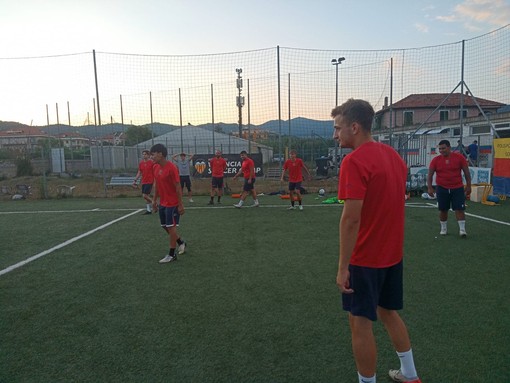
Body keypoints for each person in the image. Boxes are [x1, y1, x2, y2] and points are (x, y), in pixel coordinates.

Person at [332, 99, 421, 383]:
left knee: (359, 324)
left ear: (354, 127)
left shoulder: (354, 161)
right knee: (388, 312)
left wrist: (343, 267)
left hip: (366, 259)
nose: (336, 135)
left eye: (338, 128)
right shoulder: (394, 156)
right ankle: (410, 374)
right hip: (392, 255)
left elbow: (351, 219)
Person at [427, 139, 471, 238]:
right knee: (443, 209)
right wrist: (430, 188)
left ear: (449, 147)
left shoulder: (459, 157)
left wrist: (468, 186)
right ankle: (443, 229)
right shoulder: (435, 160)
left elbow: (467, 172)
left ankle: (462, 230)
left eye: (443, 148)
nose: (441, 150)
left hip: (458, 187)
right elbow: (430, 175)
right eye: (440, 149)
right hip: (442, 188)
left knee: (460, 209)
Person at [150, 144, 186, 263]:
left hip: (173, 203)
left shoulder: (172, 167)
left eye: (153, 154)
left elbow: (178, 187)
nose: (152, 157)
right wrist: (154, 200)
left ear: (160, 154)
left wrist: (180, 204)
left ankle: (171, 255)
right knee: (165, 226)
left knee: (171, 227)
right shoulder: (155, 167)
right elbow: (157, 186)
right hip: (163, 203)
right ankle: (180, 242)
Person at [133, 149, 155, 215]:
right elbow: (139, 172)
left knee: (144, 195)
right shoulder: (141, 163)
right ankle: (148, 210)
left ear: (148, 155)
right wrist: (135, 180)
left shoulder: (151, 162)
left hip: (150, 181)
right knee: (146, 196)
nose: (144, 155)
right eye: (143, 154)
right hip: (144, 181)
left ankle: (155, 203)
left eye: (145, 154)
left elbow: (155, 170)